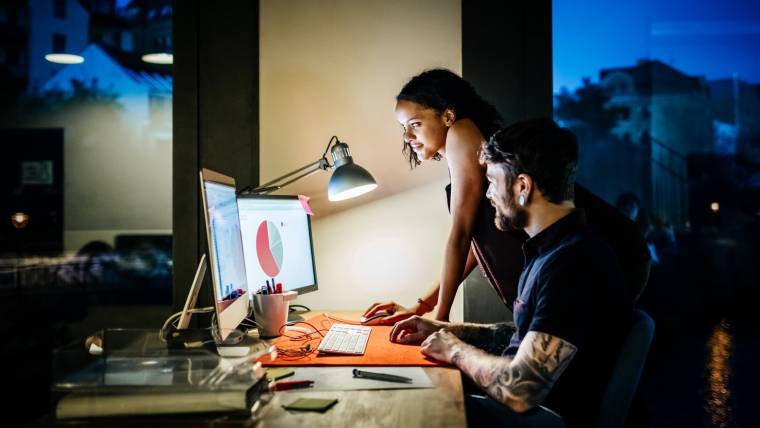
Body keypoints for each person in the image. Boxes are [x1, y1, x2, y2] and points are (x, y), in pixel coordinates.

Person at [390, 119, 633, 427]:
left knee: (403, 409)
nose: (488, 194)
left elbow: (521, 389)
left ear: (522, 186)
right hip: (528, 412)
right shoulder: (552, 250)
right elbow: (522, 335)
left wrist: (454, 351)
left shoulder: (572, 264)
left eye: (492, 181)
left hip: (540, 419)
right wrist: (447, 331)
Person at [364, 69, 650, 325]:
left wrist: (438, 319)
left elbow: (461, 234)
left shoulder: (461, 132)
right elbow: (475, 241)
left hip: (612, 247)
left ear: (448, 115)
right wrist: (423, 307)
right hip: (614, 256)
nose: (407, 137)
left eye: (414, 124)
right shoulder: (473, 144)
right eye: (403, 128)